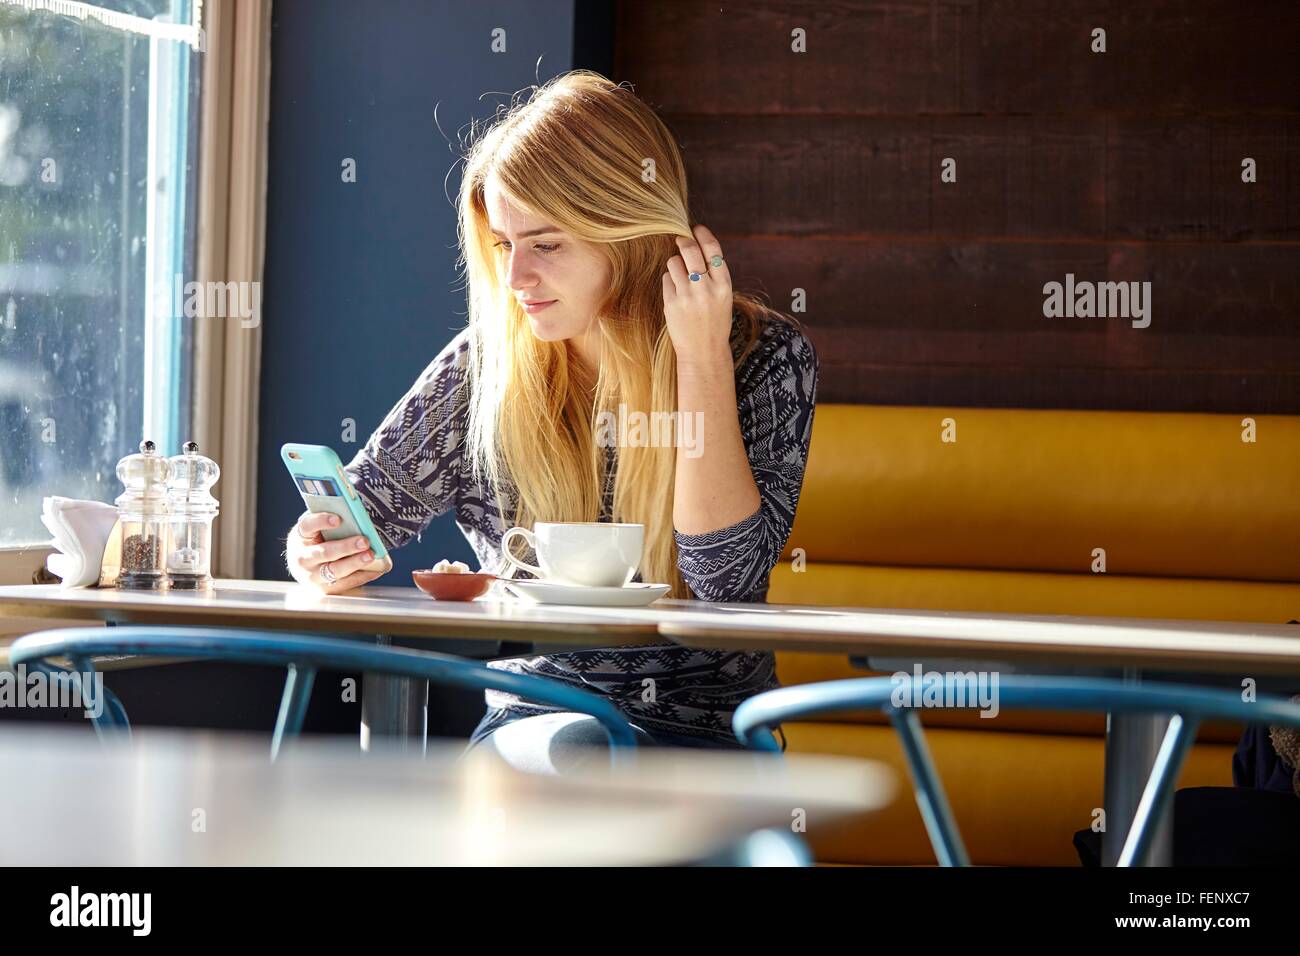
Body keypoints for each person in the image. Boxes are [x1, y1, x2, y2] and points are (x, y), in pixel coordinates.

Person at [283, 71, 818, 773]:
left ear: (628, 233)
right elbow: (361, 517)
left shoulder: (765, 358)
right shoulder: (487, 367)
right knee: (584, 756)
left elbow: (726, 585)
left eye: (547, 244)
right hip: (539, 723)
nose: (515, 280)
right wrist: (318, 553)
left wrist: (700, 361)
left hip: (712, 740)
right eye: (504, 245)